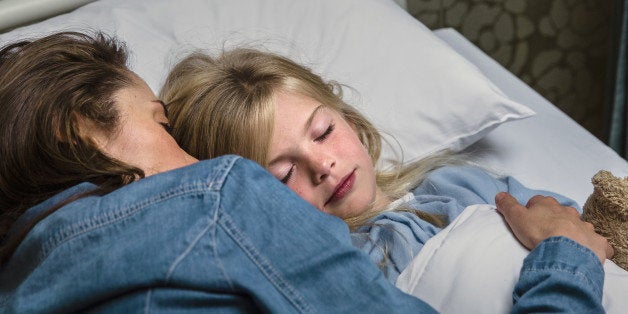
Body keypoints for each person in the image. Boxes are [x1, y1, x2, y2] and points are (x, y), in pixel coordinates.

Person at [0, 32, 610, 313]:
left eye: (323, 131)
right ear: (73, 129)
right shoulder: (218, 202)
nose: (191, 162)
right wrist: (565, 260)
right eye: (161, 126)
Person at [160, 48, 613, 311]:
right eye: (283, 174)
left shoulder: (459, 183)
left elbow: (584, 230)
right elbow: (571, 248)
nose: (322, 165)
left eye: (323, 132)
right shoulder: (336, 273)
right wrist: (567, 257)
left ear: (351, 121)